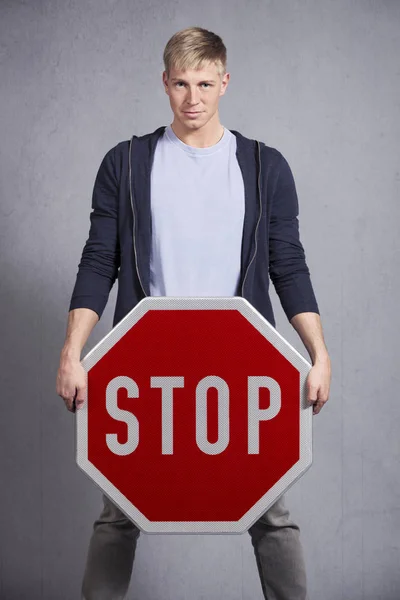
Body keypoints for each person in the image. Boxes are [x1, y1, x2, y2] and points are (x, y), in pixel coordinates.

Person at [56, 26, 331, 600]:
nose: (193, 98)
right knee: (120, 511)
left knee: (270, 512)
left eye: (205, 83)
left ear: (225, 82)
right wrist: (72, 353)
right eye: (181, 83)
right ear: (164, 83)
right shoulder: (126, 163)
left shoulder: (264, 166)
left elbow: (289, 265)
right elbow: (97, 261)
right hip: (146, 362)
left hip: (238, 365)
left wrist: (318, 354)